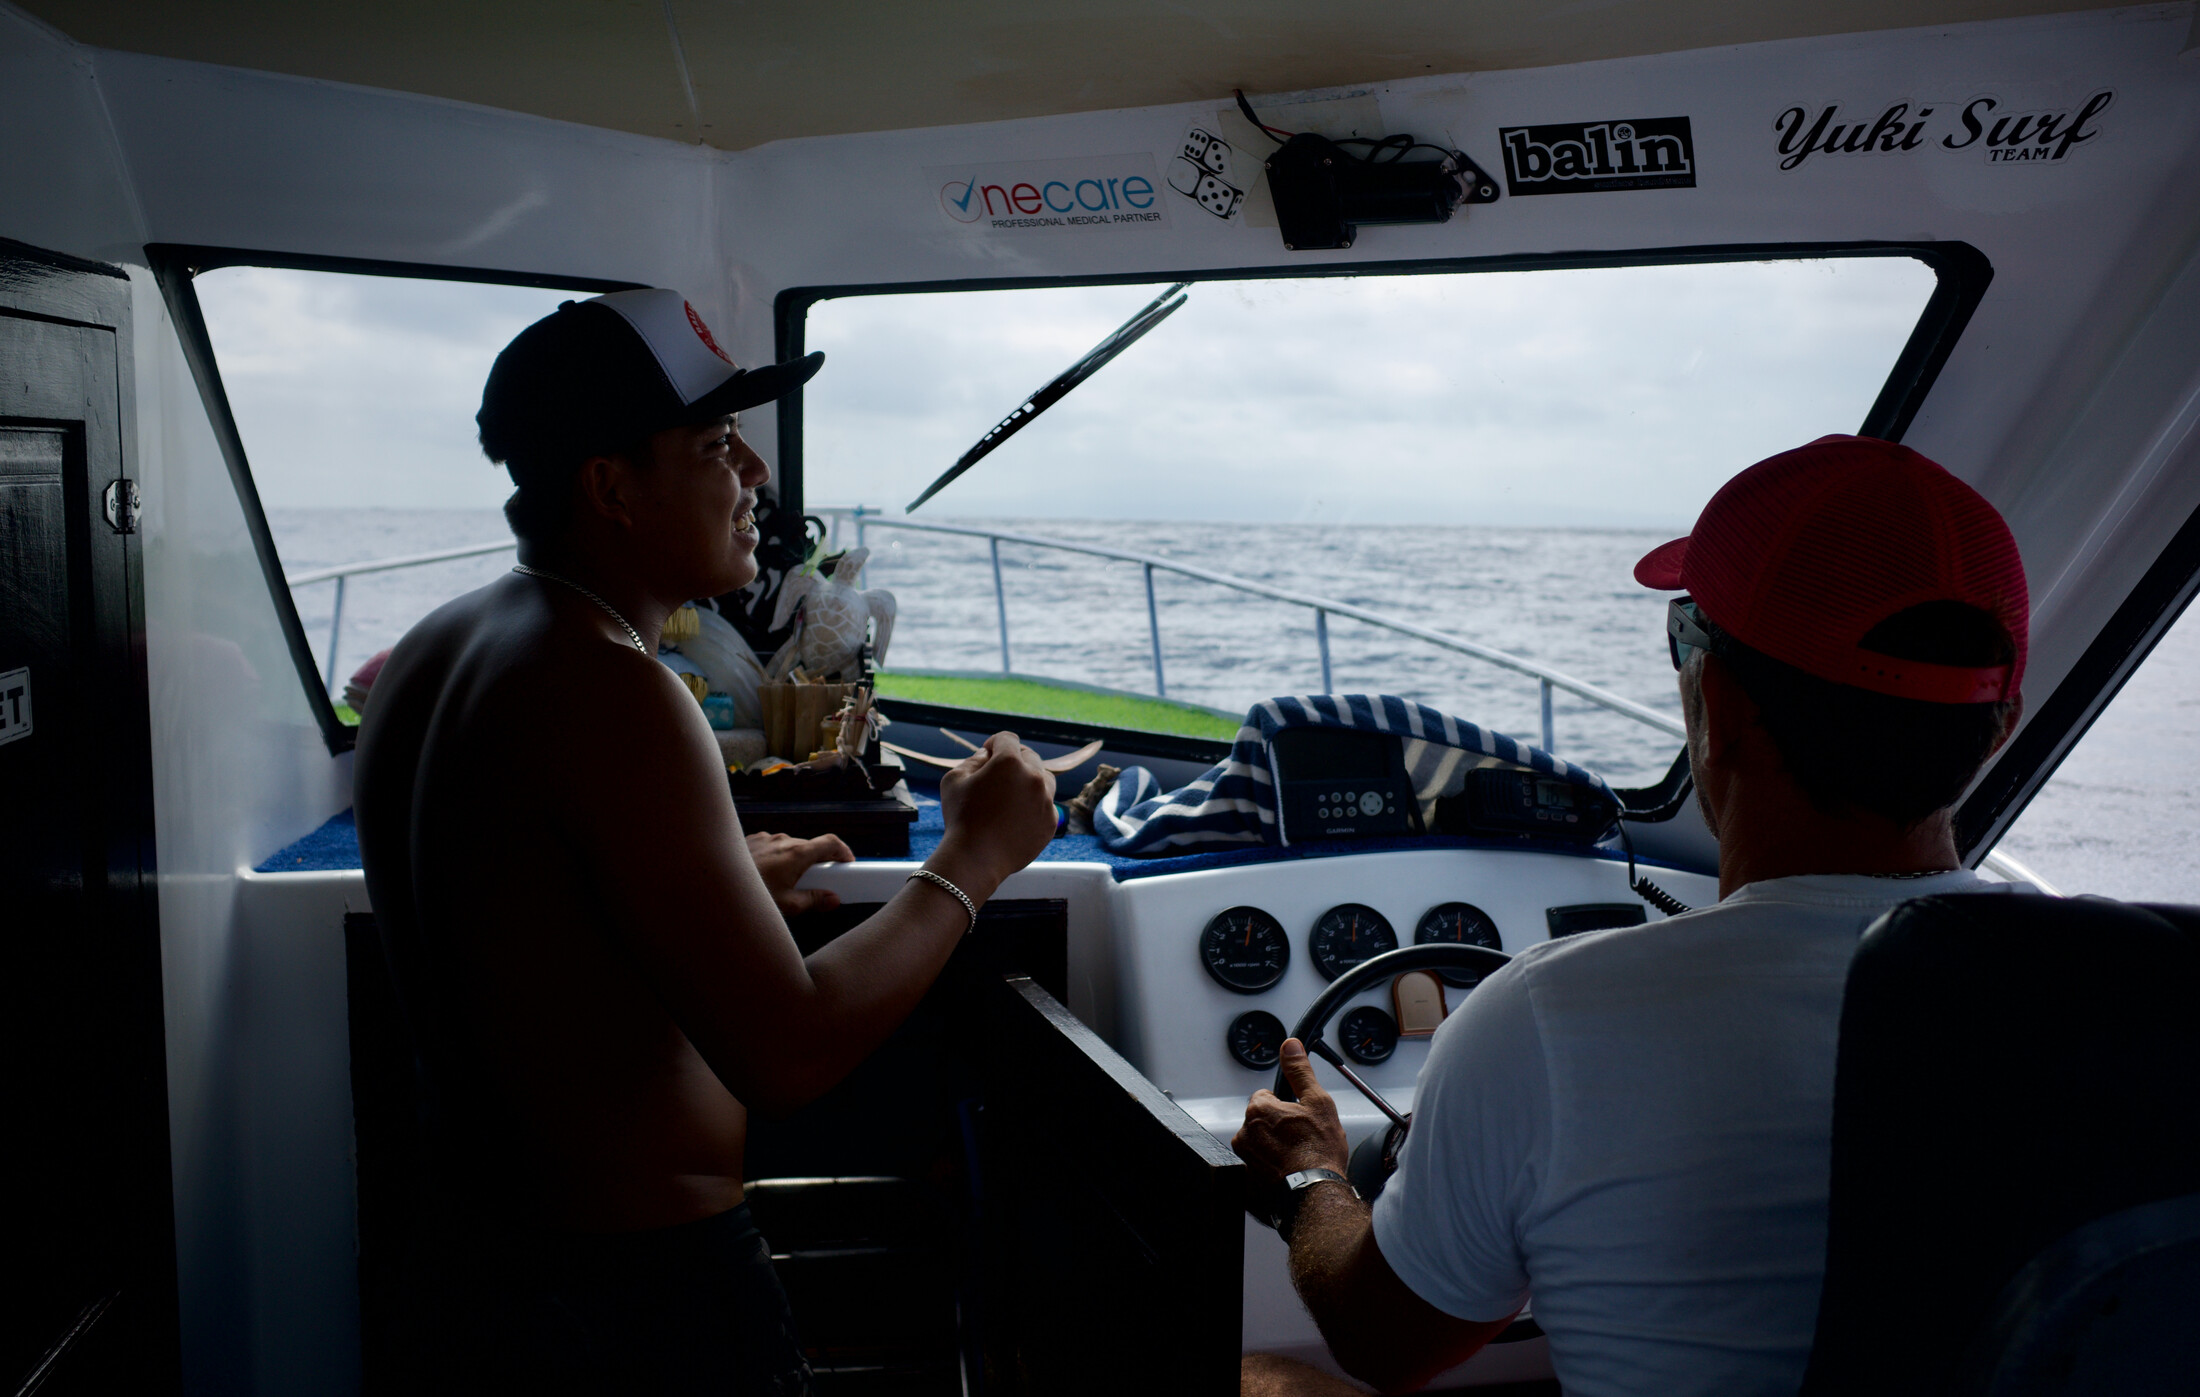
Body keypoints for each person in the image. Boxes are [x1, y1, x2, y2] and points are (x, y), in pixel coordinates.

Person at [352, 288, 1059, 1395]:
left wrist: (720, 887)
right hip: (626, 1300)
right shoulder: (612, 683)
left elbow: (536, 929)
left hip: (471, 1257)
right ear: (611, 485)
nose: (756, 478)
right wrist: (973, 854)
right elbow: (788, 1053)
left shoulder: (449, 642)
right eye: (716, 445)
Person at [1233, 436, 2033, 1396]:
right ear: (2001, 724)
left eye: (1683, 638)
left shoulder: (1551, 1018)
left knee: (1260, 1376)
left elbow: (1386, 1343)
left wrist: (1313, 1175)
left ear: (1719, 700)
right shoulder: (2141, 993)